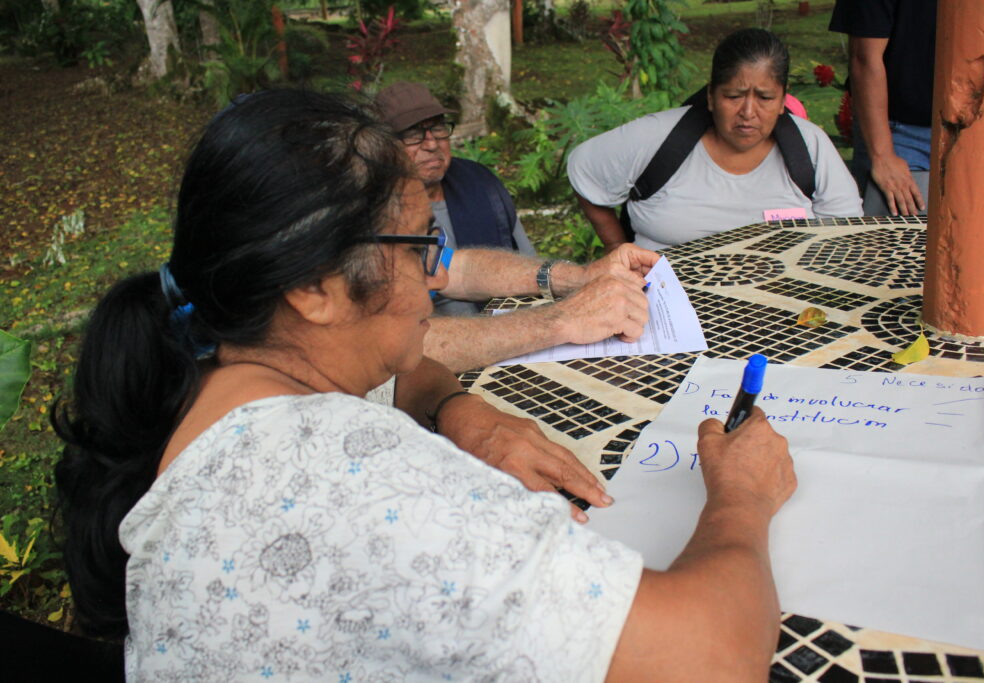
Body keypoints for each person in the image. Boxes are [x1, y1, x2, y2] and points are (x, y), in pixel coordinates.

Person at [54, 89, 796, 681]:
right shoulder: (366, 477)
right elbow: (711, 656)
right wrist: (743, 495)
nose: (436, 277)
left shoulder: (215, 389)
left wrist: (460, 410)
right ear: (315, 286)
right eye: (419, 248)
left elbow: (409, 377)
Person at [375, 81, 660, 373]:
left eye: (437, 128)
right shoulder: (365, 216)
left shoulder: (478, 184)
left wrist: (580, 276)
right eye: (412, 134)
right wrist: (562, 320)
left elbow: (460, 268)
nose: (432, 143)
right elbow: (399, 342)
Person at [568, 28, 863, 252]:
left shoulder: (809, 148)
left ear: (783, 100)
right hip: (663, 309)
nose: (748, 112)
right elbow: (584, 168)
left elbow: (845, 235)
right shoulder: (659, 138)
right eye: (733, 96)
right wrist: (619, 255)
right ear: (710, 96)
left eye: (765, 98)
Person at [829, 0, 936, 216]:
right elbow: (864, 58)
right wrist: (883, 155)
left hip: (981, 128)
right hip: (899, 135)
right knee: (897, 243)